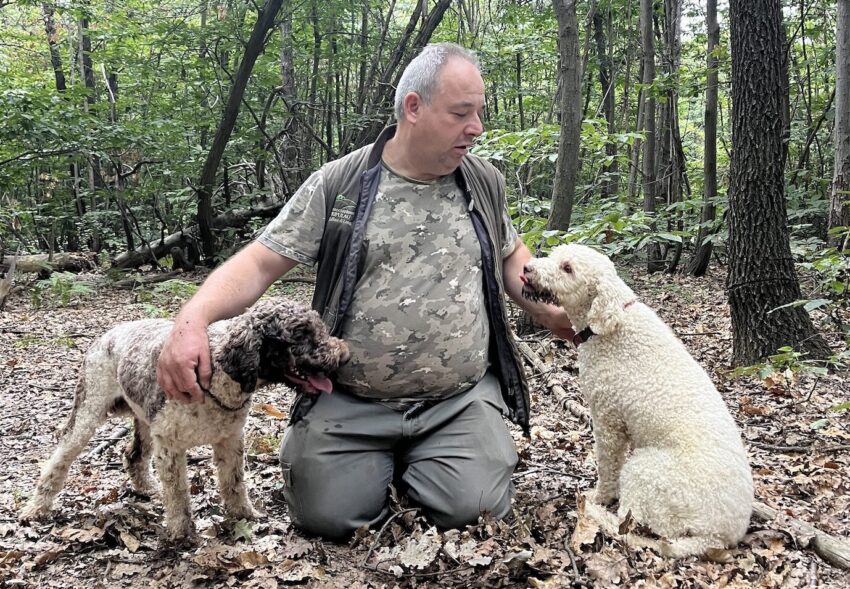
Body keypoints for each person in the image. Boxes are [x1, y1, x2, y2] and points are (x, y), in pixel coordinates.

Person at [157, 42, 573, 539]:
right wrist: (192, 319)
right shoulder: (341, 184)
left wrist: (550, 308)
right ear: (413, 108)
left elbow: (511, 256)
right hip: (349, 396)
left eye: (478, 112)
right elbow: (259, 262)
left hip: (456, 398)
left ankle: (434, 459)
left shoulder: (483, 181)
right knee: (326, 519)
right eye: (461, 113)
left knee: (473, 510)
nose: (476, 127)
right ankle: (377, 462)